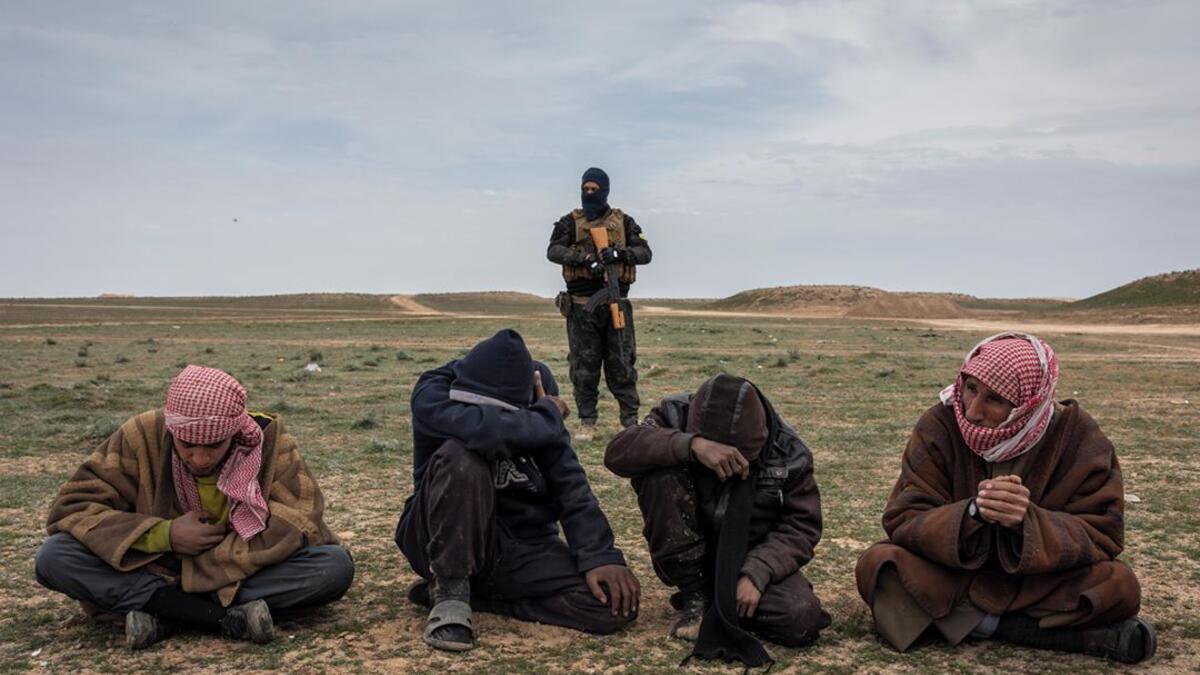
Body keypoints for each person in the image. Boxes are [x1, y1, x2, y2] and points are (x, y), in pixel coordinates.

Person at [855, 332, 1155, 663]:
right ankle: (1036, 632)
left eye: (995, 400)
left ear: (1029, 404)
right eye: (970, 389)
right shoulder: (940, 423)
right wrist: (970, 514)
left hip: (1038, 581)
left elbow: (1104, 531)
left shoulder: (1078, 436)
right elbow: (904, 516)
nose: (972, 411)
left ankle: (976, 624)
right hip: (952, 574)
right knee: (879, 564)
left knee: (1119, 585)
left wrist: (1028, 522)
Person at [35, 365, 353, 650]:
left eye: (214, 446)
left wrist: (210, 561)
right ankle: (222, 617)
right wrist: (165, 535)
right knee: (55, 556)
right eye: (186, 444)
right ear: (172, 429)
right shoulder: (142, 434)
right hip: (155, 564)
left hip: (240, 565)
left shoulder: (267, 439)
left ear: (234, 431)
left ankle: (166, 612)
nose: (199, 458)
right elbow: (74, 507)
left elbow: (300, 517)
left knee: (332, 567)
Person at [395, 329, 640, 652]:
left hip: (520, 545)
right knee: (461, 457)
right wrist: (545, 416)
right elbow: (484, 432)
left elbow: (568, 480)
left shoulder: (536, 391)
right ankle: (450, 592)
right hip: (438, 537)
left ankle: (484, 599)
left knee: (611, 605)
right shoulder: (434, 392)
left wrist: (599, 555)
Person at [605, 374, 830, 667]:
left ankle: (725, 602)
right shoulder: (674, 414)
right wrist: (691, 446)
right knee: (659, 473)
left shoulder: (788, 450)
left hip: (750, 557)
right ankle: (696, 595)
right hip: (690, 552)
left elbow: (801, 526)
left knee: (800, 618)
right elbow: (618, 453)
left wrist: (758, 572)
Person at [546, 167, 652, 441]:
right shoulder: (570, 222)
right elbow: (553, 250)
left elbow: (645, 253)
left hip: (617, 303)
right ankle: (587, 422)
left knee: (622, 365)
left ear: (605, 190)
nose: (589, 194)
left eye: (595, 189)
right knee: (583, 367)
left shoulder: (625, 222)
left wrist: (619, 252)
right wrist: (584, 259)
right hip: (582, 307)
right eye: (586, 189)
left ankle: (630, 421)